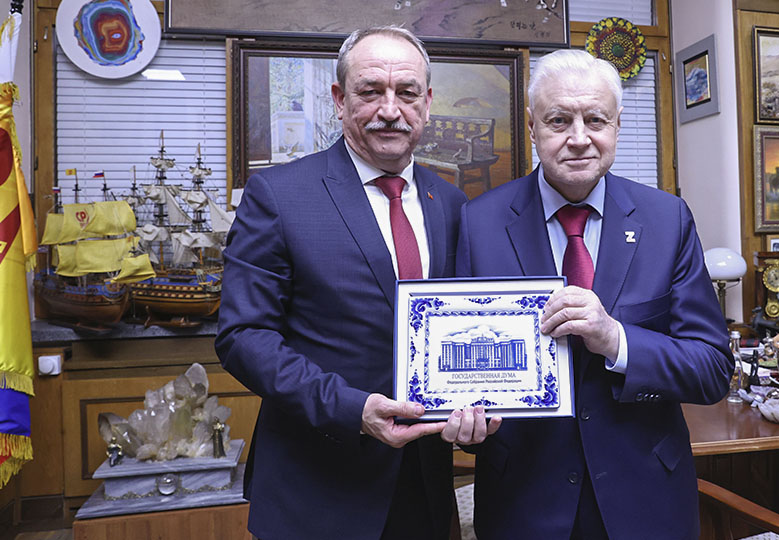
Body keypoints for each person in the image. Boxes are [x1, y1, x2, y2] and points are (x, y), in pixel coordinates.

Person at [216, 26, 494, 540]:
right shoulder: (279, 196)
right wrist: (352, 409)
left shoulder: (453, 204)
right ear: (340, 100)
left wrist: (479, 408)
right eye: (371, 91)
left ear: (427, 102)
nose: (390, 109)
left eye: (406, 92)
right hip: (317, 490)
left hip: (425, 490)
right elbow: (243, 337)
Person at [456, 49, 733, 539]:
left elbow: (711, 370)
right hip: (525, 502)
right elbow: (462, 375)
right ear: (532, 127)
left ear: (618, 126)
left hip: (646, 501)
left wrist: (616, 340)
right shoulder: (480, 223)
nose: (579, 138)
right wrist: (468, 426)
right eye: (559, 120)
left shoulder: (666, 220)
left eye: (596, 120)